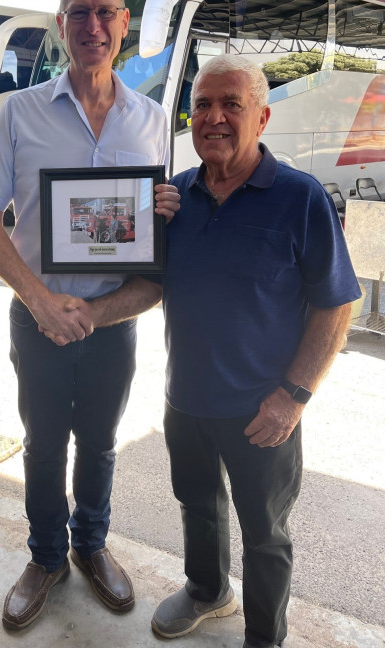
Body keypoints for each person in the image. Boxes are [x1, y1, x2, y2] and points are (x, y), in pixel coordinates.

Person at [0, 0, 180, 631]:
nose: (93, 25)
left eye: (105, 12)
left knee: (100, 442)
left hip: (113, 321)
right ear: (62, 26)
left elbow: (153, 220)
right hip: (38, 320)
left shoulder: (151, 120)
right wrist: (37, 299)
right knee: (43, 445)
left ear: (124, 25)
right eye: (79, 13)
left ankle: (90, 545)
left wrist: (163, 207)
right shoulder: (21, 112)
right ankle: (45, 557)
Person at [146, 55, 361, 647]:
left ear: (262, 118)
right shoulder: (176, 198)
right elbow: (147, 282)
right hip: (185, 399)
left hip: (263, 409)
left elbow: (336, 304)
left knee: (264, 533)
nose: (213, 117)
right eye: (202, 105)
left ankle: (264, 637)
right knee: (197, 505)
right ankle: (206, 591)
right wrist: (78, 308)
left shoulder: (299, 197)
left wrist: (293, 397)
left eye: (231, 105)